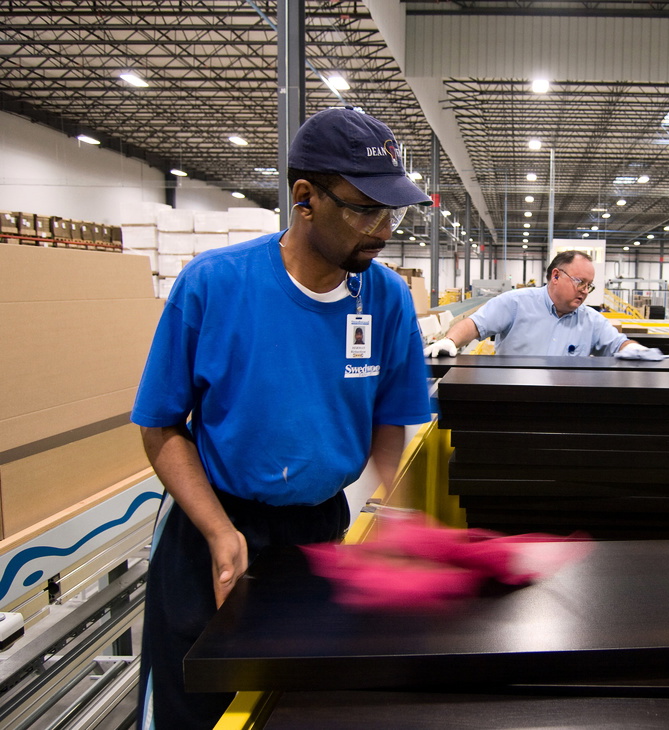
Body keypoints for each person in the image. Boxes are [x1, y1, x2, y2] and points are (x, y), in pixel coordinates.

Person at [130, 107, 432, 730]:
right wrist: (219, 532)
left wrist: (393, 510)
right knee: (196, 697)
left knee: (295, 705)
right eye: (365, 210)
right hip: (210, 526)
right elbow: (161, 427)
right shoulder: (214, 285)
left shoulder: (387, 297)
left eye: (392, 214)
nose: (382, 230)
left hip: (317, 532)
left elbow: (390, 420)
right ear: (304, 199)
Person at [424, 250, 651, 358]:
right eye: (580, 282)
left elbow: (617, 344)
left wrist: (633, 348)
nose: (584, 290)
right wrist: (450, 341)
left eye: (589, 285)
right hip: (510, 399)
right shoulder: (515, 303)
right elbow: (474, 325)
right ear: (555, 276)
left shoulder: (591, 320)